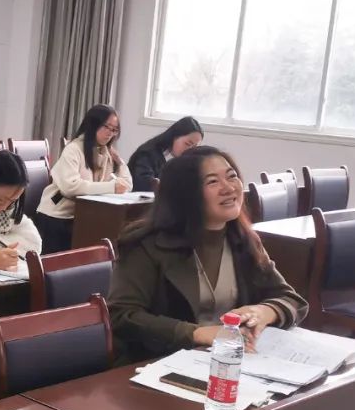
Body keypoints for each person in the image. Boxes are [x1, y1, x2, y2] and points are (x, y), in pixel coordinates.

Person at [109, 145, 307, 363]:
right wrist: (197, 333)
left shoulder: (243, 239)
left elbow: (292, 300)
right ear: (185, 194)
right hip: (159, 362)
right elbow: (121, 316)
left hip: (230, 360)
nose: (229, 188)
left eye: (232, 176)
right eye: (212, 182)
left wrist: (264, 311)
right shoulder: (146, 244)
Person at [34, 104, 133, 254]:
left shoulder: (107, 152)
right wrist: (111, 187)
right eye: (106, 127)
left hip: (84, 216)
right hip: (57, 216)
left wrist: (119, 162)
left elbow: (127, 184)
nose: (110, 133)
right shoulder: (74, 149)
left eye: (114, 130)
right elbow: (70, 186)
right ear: (93, 124)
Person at [127, 116, 204, 192]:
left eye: (195, 147)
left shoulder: (189, 161)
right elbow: (143, 183)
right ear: (175, 136)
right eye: (187, 144)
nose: (190, 150)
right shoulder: (148, 153)